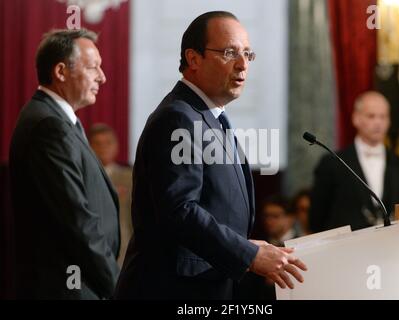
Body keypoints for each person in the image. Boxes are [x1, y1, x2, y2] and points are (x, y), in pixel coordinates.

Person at [114, 11, 307, 300]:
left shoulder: (207, 116)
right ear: (194, 59)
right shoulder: (178, 118)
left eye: (247, 54)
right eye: (230, 53)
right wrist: (249, 254)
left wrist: (246, 247)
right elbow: (180, 210)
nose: (242, 65)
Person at [9, 29, 120, 299]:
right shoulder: (49, 126)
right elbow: (77, 222)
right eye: (93, 67)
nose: (102, 77)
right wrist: (119, 287)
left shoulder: (55, 118)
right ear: (61, 71)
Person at [310, 91, 399, 232]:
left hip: (389, 249)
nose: (378, 122)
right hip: (346, 250)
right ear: (356, 119)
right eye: (371, 116)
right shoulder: (332, 163)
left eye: (383, 117)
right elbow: (317, 219)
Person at [88, 124, 133, 268]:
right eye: (97, 143)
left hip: (123, 251)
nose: (103, 148)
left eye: (108, 143)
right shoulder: (82, 177)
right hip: (90, 250)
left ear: (116, 145)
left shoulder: (130, 176)